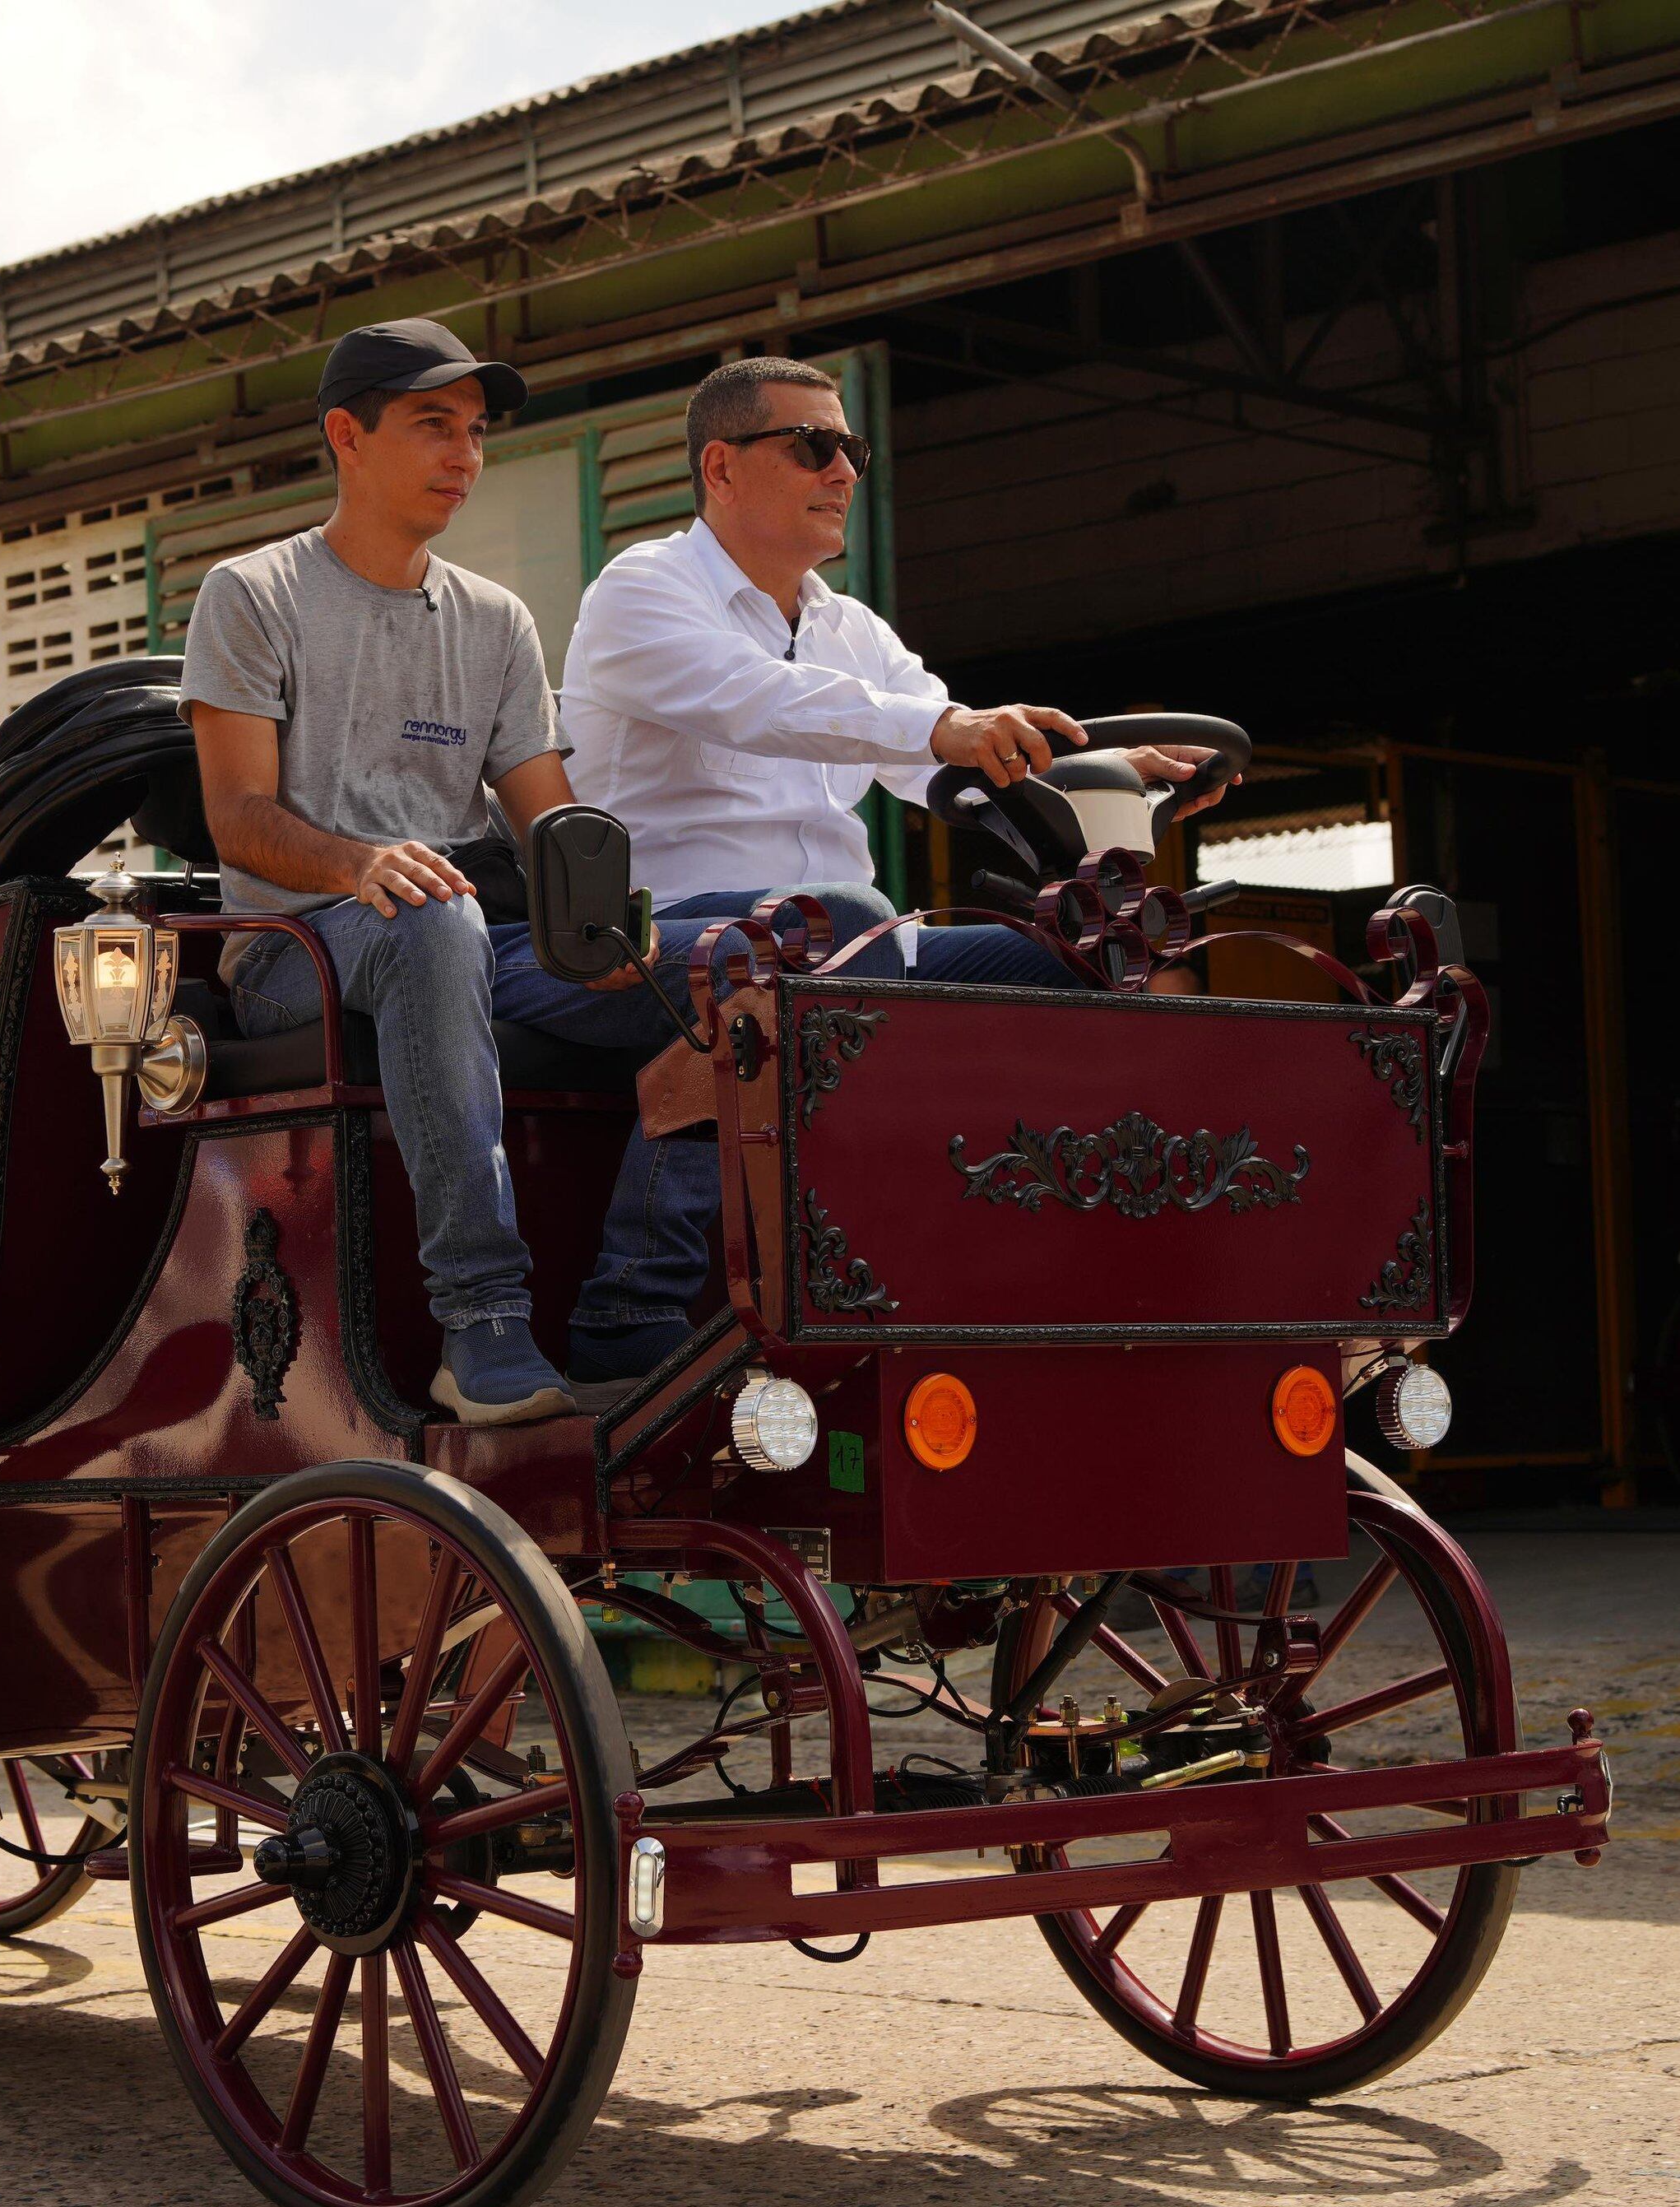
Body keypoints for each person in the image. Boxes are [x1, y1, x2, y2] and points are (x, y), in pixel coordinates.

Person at [496, 355, 1229, 1384]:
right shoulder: (642, 591)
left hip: (838, 942)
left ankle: (1014, 1277)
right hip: (648, 943)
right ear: (720, 467)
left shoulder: (849, 629)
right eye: (812, 446)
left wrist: (1103, 775)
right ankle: (630, 1306)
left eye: (851, 449)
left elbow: (951, 771)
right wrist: (948, 729)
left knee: (1086, 953)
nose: (842, 470)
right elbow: (768, 703)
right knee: (824, 927)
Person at [182, 318, 644, 1426]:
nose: (464, 454)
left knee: (731, 983)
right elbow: (237, 819)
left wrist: (616, 927)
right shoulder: (251, 594)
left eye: (476, 432)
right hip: (296, 951)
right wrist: (359, 863)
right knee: (434, 921)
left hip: (464, 934)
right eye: (435, 424)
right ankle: (481, 1323)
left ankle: (640, 1314)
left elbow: (548, 822)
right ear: (346, 435)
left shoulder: (496, 621)